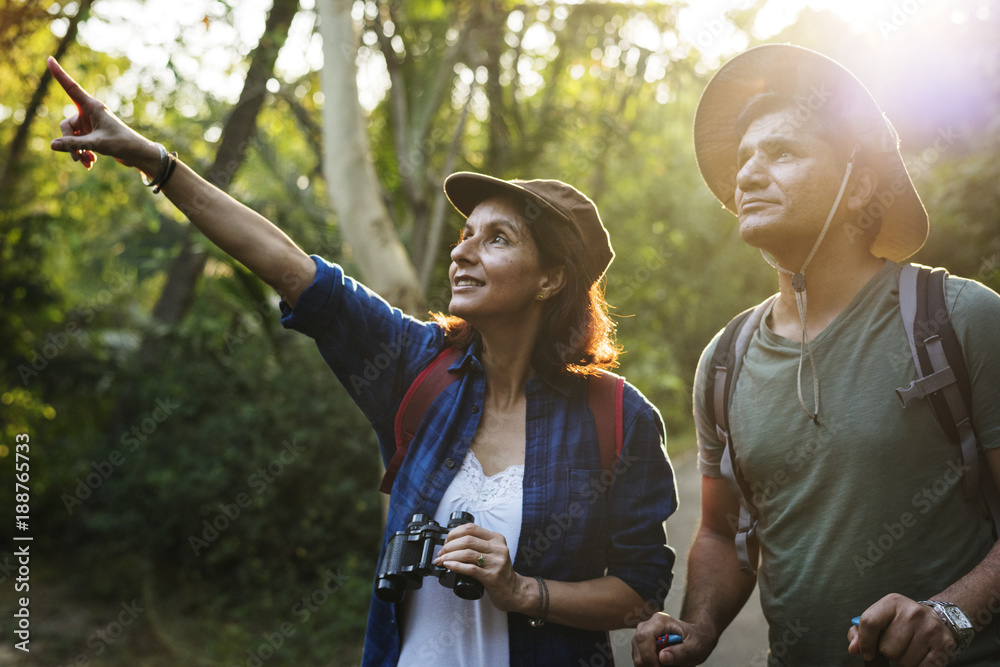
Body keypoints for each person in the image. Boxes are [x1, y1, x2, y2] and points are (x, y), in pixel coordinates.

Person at [45, 56, 678, 665]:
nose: (463, 254)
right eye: (465, 236)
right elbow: (290, 266)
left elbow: (639, 593)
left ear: (550, 280)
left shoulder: (617, 417)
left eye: (499, 240)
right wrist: (151, 158)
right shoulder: (415, 365)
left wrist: (522, 591)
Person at [632, 44, 1000, 666]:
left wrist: (950, 614)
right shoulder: (724, 362)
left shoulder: (961, 320)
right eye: (744, 157)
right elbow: (724, 532)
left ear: (860, 188)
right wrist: (699, 626)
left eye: (781, 153)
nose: (746, 175)